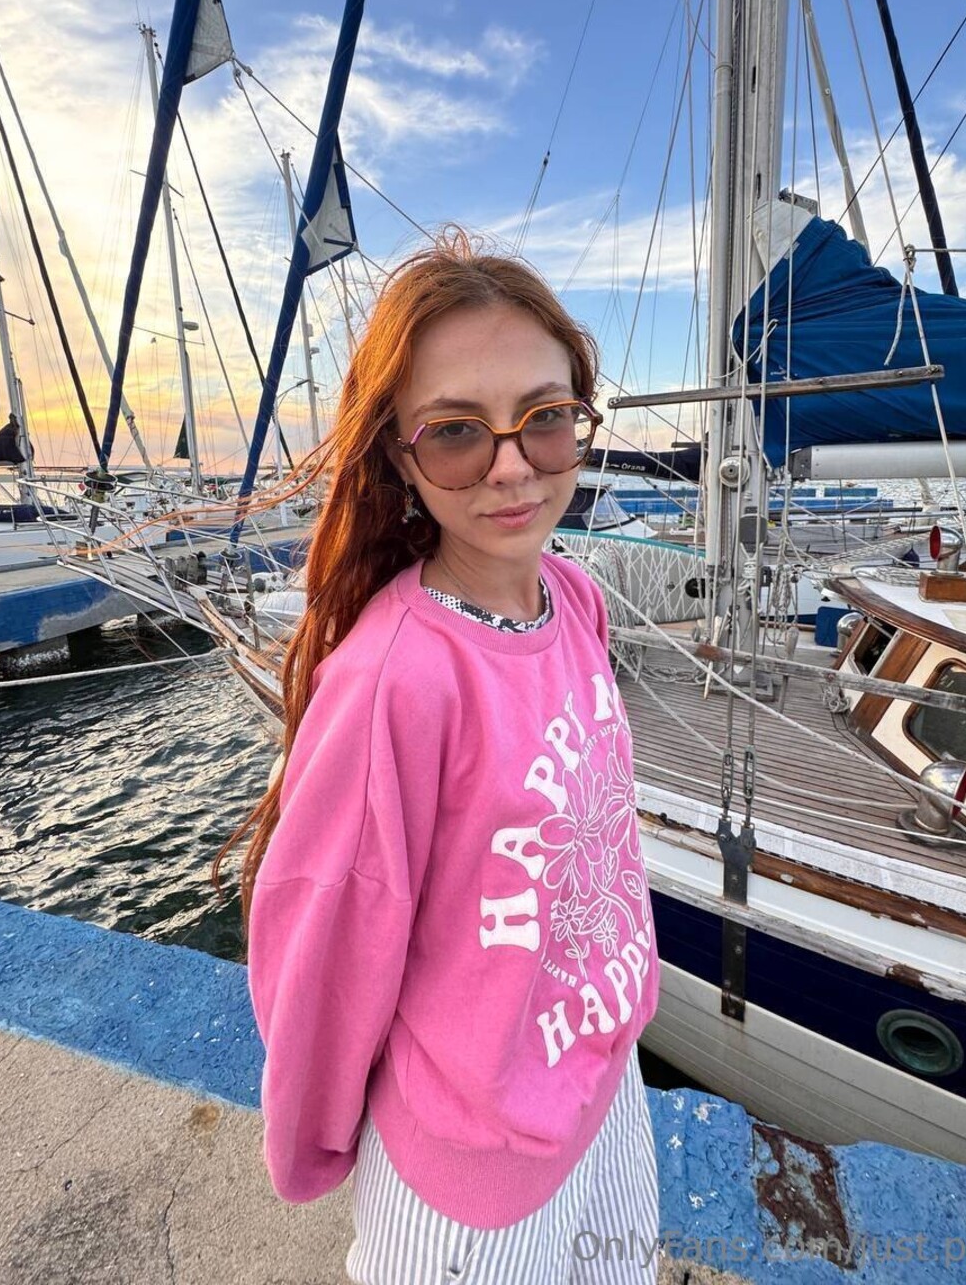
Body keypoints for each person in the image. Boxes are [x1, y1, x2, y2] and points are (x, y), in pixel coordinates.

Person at [224, 228, 661, 1283]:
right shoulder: (394, 682)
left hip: (601, 1088)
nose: (512, 466)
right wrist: (311, 1139)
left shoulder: (576, 599)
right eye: (459, 432)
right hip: (468, 1172)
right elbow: (326, 938)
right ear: (399, 456)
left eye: (545, 419)